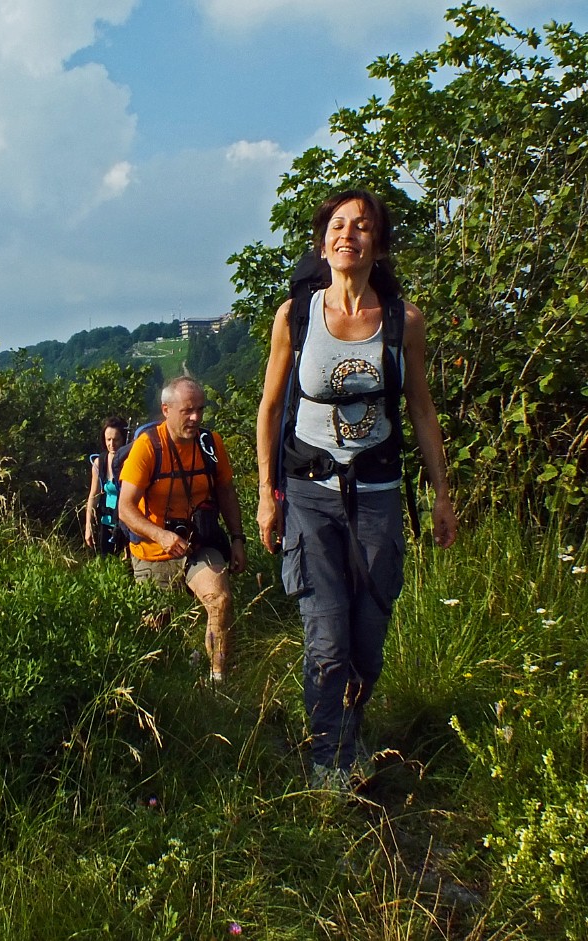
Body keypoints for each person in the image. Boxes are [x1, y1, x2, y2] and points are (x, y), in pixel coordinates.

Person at [254, 189, 458, 791]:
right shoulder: (296, 315)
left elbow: (421, 410)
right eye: (339, 225)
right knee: (326, 632)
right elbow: (269, 409)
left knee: (368, 637)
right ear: (324, 242)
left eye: (363, 226)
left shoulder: (403, 321)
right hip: (310, 493)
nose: (350, 234)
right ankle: (328, 761)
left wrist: (443, 495)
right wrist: (267, 494)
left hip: (377, 490)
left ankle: (350, 729)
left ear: (379, 244)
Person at [118, 377, 247, 682]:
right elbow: (125, 508)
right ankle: (169, 686)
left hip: (199, 543)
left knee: (220, 600)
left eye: (200, 410)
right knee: (156, 633)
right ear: (166, 409)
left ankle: (217, 680)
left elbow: (227, 492)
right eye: (188, 411)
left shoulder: (210, 444)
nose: (196, 418)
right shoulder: (148, 447)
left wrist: (237, 540)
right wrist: (161, 535)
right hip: (152, 550)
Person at [84, 416, 128, 555]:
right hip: (106, 523)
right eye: (108, 440)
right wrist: (88, 526)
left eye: (116, 440)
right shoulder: (100, 463)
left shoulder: (131, 462)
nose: (112, 444)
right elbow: (94, 495)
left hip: (127, 526)